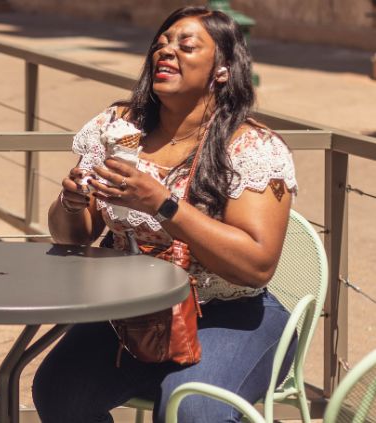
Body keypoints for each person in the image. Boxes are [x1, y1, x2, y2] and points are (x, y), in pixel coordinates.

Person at [33, 6, 299, 423]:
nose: (166, 52)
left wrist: (163, 204)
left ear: (223, 70)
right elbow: (73, 238)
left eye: (185, 45)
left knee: (191, 408)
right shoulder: (117, 129)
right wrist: (70, 203)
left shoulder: (251, 148)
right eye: (160, 45)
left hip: (231, 314)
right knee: (58, 391)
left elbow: (256, 266)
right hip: (133, 311)